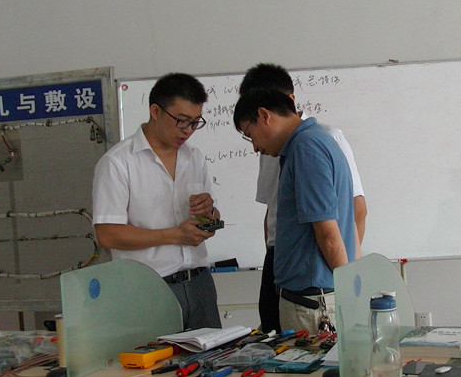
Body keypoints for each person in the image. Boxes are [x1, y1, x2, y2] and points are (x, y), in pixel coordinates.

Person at [239, 63, 366, 333]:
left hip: (312, 301)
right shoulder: (312, 140)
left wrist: (348, 292)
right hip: (314, 294)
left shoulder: (306, 148)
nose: (255, 147)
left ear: (264, 115)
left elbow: (328, 233)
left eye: (250, 135)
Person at [92, 73, 222, 330]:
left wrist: (210, 213)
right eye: (181, 121)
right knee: (159, 357)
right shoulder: (118, 162)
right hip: (149, 288)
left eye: (195, 122)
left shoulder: (194, 157)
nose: (188, 130)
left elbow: (210, 218)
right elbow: (107, 235)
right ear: (155, 111)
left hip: (200, 284)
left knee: (214, 354)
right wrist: (174, 235)